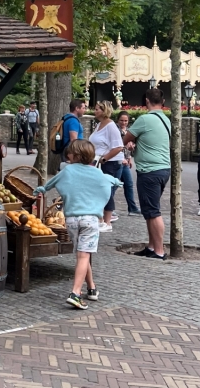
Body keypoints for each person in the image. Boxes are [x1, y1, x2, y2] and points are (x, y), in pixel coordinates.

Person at [35, 139, 122, 309]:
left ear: (75, 155)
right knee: (84, 255)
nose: (67, 155)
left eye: (70, 152)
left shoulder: (67, 171)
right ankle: (75, 293)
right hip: (90, 220)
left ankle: (91, 288)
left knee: (83, 254)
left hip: (72, 221)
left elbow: (49, 184)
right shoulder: (97, 173)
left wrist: (41, 190)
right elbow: (107, 180)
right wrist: (115, 182)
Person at [121, 88, 171, 259]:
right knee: (149, 210)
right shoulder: (166, 119)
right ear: (162, 102)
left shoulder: (144, 119)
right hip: (163, 169)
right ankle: (151, 247)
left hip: (150, 170)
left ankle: (159, 251)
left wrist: (131, 144)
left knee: (153, 211)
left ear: (147, 101)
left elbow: (125, 139)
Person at [89, 101, 125, 231]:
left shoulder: (110, 126)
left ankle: (107, 222)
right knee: (99, 191)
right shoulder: (99, 124)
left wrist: (104, 158)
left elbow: (119, 146)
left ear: (104, 110)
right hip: (98, 162)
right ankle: (101, 219)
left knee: (106, 191)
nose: (95, 111)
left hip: (110, 163)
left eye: (97, 109)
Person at [116, 111, 141, 215]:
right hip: (117, 161)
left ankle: (132, 208)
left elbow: (129, 146)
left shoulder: (128, 131)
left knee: (129, 184)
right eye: (121, 120)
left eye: (126, 121)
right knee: (113, 185)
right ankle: (107, 208)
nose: (124, 123)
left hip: (125, 161)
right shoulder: (115, 131)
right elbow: (117, 146)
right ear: (118, 120)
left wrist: (129, 157)